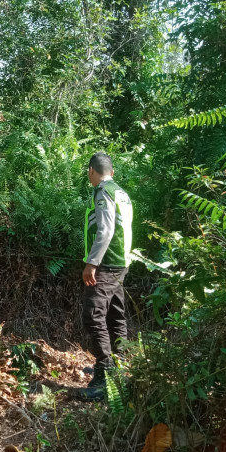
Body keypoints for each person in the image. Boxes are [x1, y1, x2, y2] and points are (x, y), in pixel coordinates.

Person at [79, 152, 133, 401]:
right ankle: (120, 364)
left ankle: (104, 374)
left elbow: (106, 229)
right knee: (115, 314)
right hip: (121, 263)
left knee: (93, 315)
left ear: (91, 170)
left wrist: (92, 263)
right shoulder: (122, 192)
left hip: (106, 264)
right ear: (113, 172)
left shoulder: (103, 192)